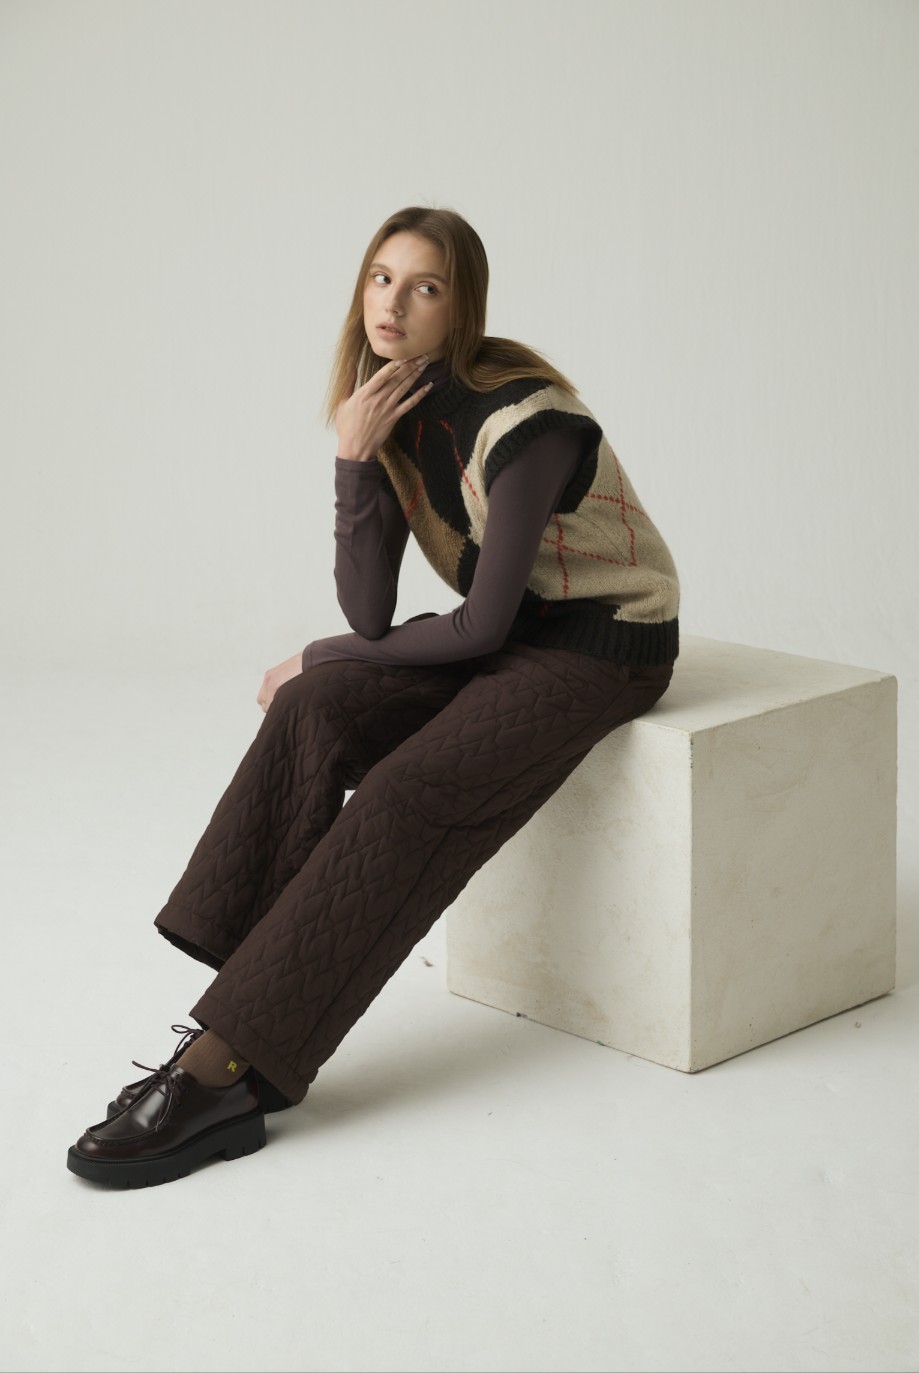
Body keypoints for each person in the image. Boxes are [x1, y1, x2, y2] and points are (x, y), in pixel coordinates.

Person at [67, 205, 681, 1189]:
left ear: (461, 307)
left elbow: (477, 629)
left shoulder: (527, 424)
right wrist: (353, 458)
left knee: (405, 791)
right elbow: (371, 608)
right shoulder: (394, 408)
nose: (394, 303)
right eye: (380, 278)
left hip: (598, 648)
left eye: (426, 286)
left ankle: (227, 1069)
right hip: (510, 633)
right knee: (315, 706)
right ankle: (247, 1000)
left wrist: (323, 649)